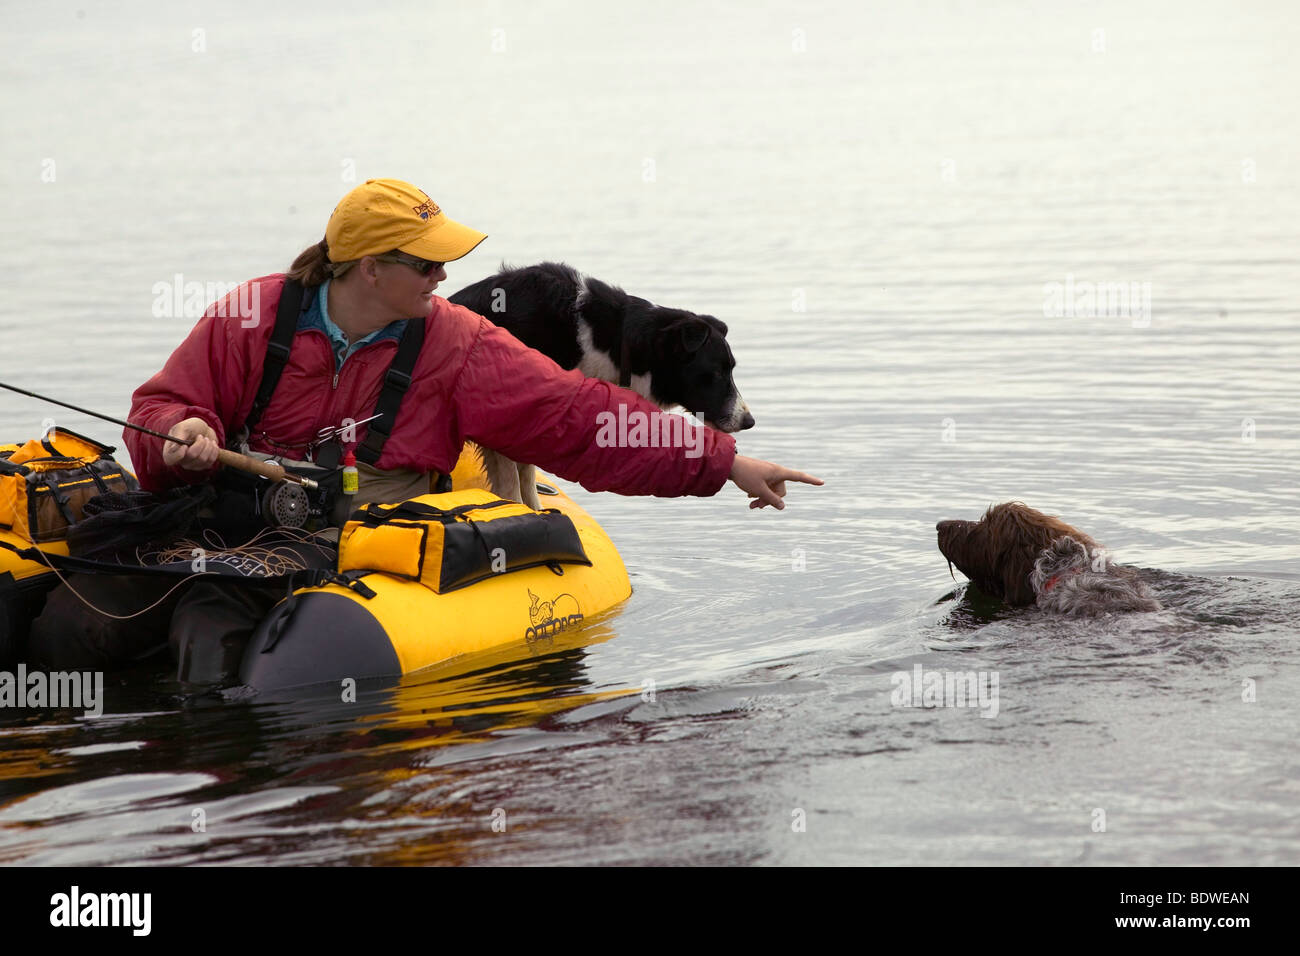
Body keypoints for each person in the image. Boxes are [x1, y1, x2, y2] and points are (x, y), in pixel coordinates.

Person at [29, 178, 821, 682]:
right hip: (223, 515)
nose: (446, 278)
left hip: (360, 529)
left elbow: (577, 419)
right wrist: (180, 432)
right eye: (427, 264)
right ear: (369, 268)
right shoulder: (254, 313)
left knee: (212, 633)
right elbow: (158, 411)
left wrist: (722, 462)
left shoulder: (459, 342)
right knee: (70, 626)